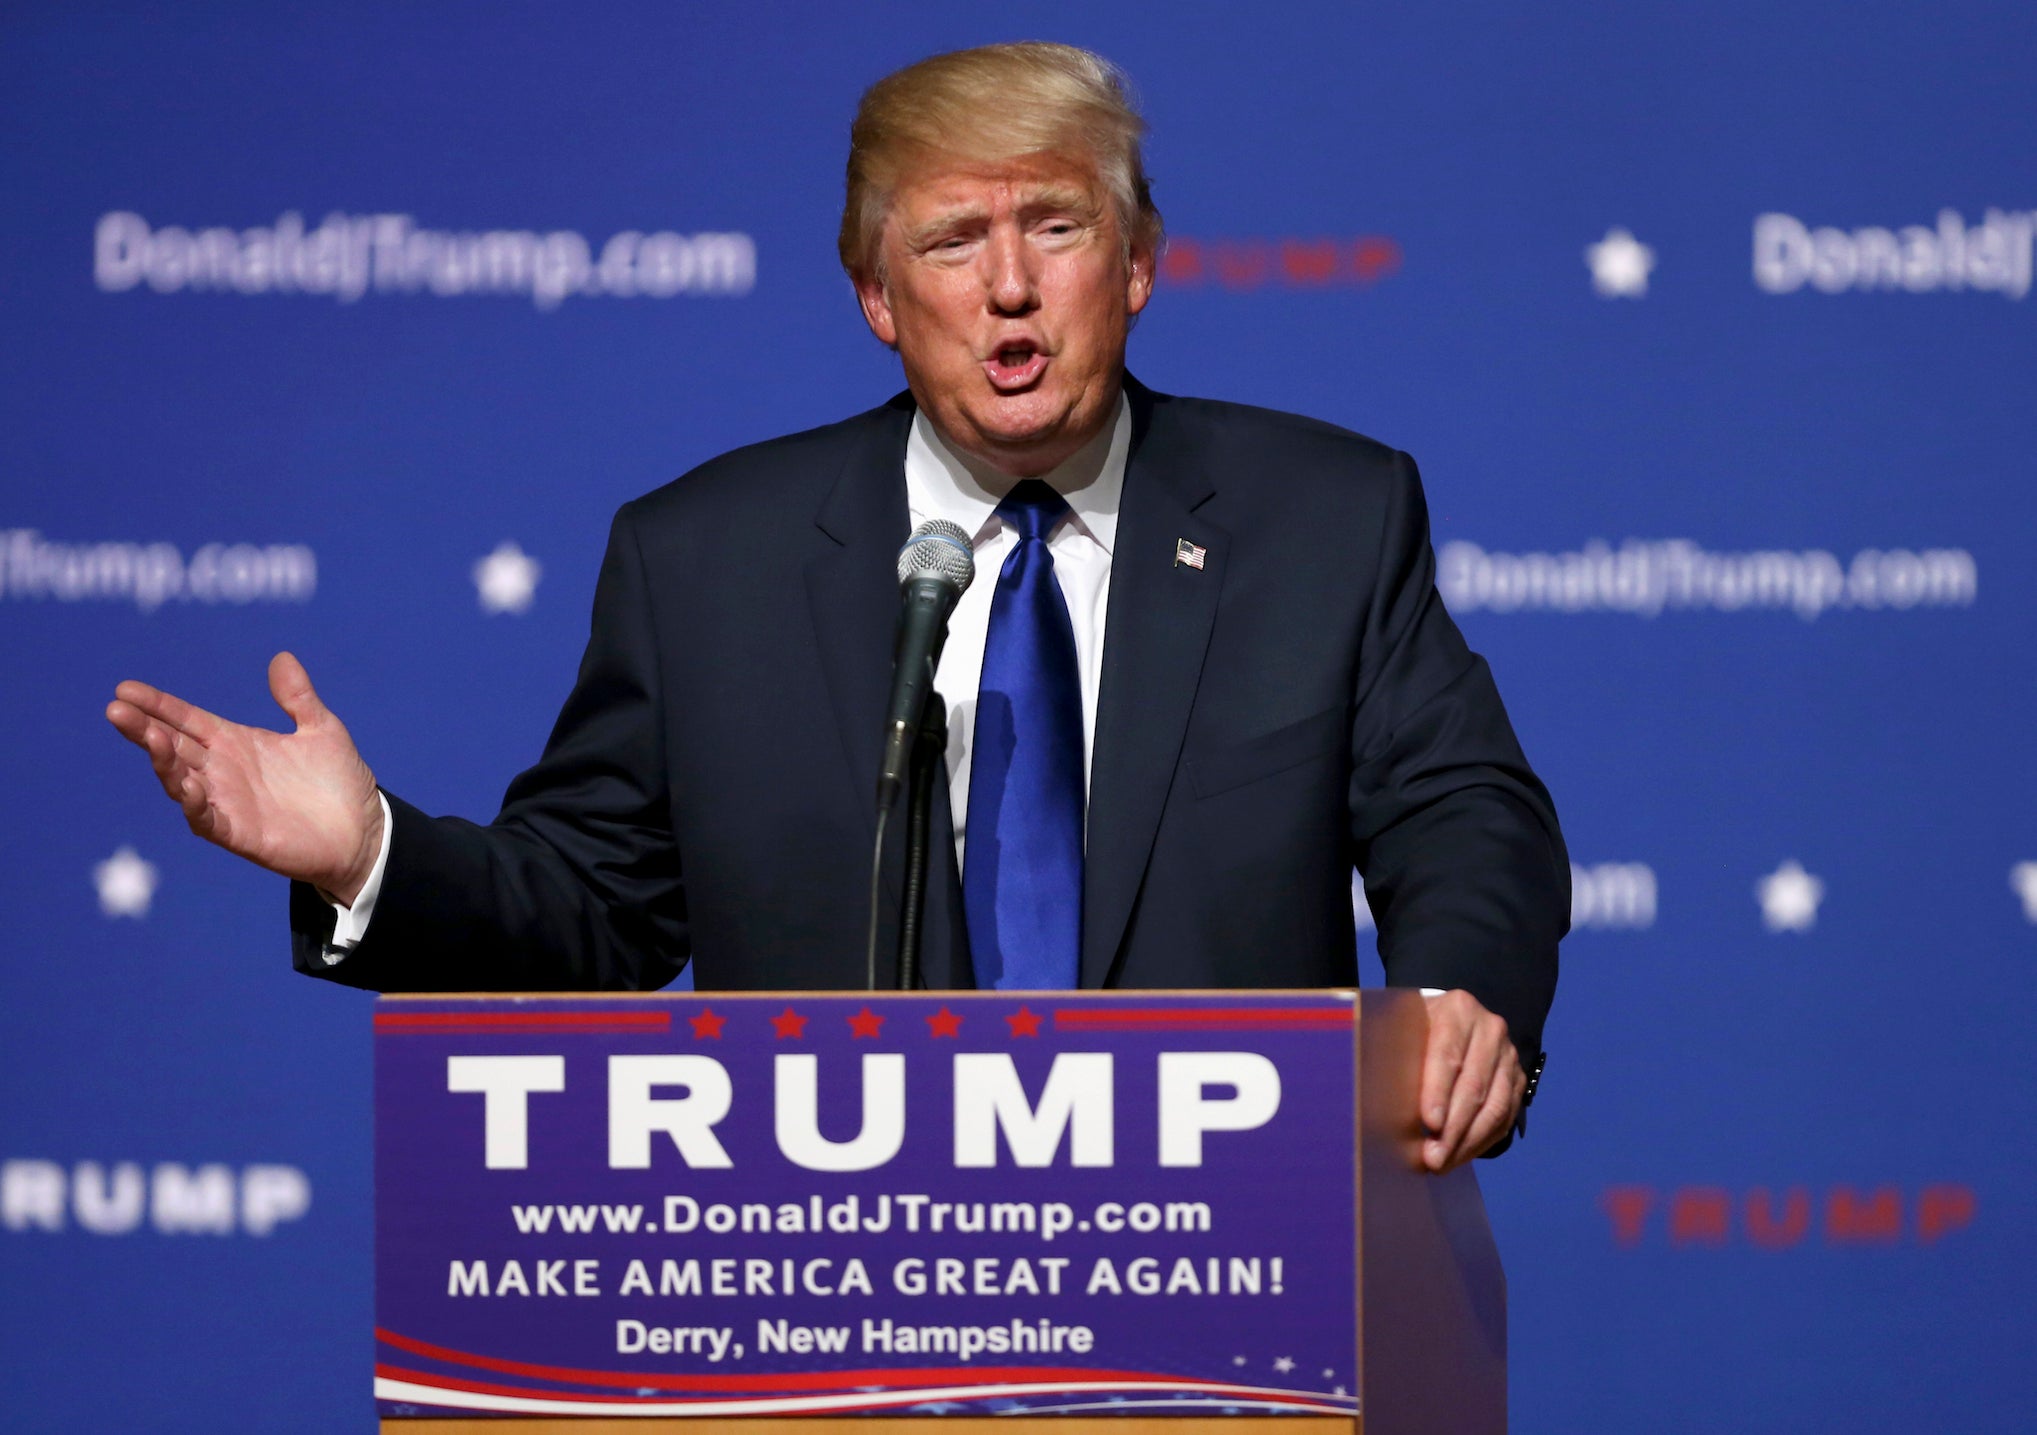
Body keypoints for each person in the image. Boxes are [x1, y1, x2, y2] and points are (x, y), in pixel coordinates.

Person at [106, 42, 1567, 1171]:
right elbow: (594, 910)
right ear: (875, 293)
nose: (1008, 288)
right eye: (949, 243)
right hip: (836, 1281)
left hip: (1229, 1256)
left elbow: (1464, 810)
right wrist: (365, 855)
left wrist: (1456, 996)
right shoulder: (705, 560)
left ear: (1134, 266)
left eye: (1053, 228)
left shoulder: (1321, 517)